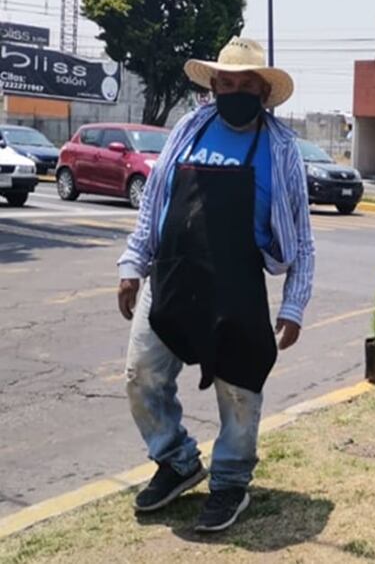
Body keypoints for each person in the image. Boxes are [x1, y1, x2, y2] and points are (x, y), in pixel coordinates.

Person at [116, 37, 315, 532]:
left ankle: (230, 481)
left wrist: (293, 306)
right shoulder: (189, 127)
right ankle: (178, 461)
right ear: (214, 86)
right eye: (226, 83)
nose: (234, 92)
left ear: (263, 93)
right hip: (172, 276)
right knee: (141, 374)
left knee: (240, 389)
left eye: (246, 85)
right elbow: (154, 203)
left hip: (236, 288)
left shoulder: (282, 149)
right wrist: (132, 262)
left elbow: (303, 238)